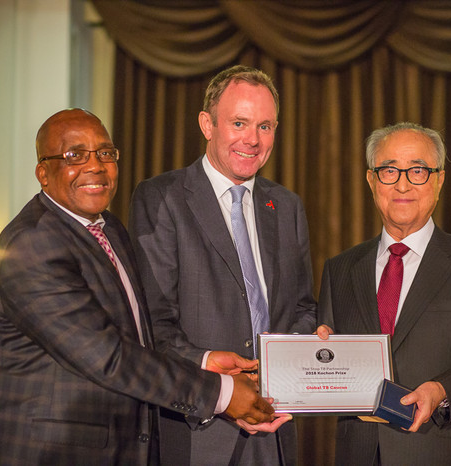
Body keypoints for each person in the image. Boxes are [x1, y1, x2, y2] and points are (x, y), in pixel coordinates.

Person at [0, 109, 277, 465]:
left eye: (105, 153)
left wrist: (204, 362)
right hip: (57, 452)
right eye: (74, 155)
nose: (95, 166)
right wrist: (221, 394)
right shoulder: (31, 245)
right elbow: (109, 356)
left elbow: (139, 338)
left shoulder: (109, 229)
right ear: (43, 173)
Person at [129, 65, 316, 465]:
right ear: (207, 124)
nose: (252, 139)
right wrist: (220, 381)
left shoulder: (287, 206)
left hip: (275, 429)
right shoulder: (161, 198)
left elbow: (303, 309)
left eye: (265, 126)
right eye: (239, 123)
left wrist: (283, 364)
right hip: (199, 431)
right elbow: (153, 325)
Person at [316, 122, 451, 465]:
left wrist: (441, 391)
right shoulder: (340, 269)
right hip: (360, 452)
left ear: (439, 180)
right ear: (371, 180)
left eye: (418, 171)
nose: (403, 184)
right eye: (389, 170)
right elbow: (326, 350)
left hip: (444, 450)